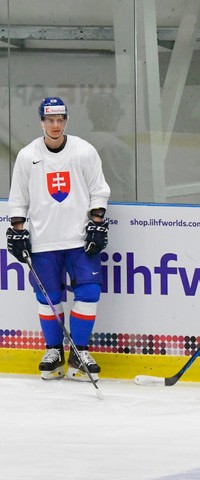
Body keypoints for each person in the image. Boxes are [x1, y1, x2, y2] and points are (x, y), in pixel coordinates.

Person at [6, 97, 111, 382]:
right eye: (49, 120)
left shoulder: (83, 151)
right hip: (43, 242)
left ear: (65, 121)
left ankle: (80, 353)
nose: (55, 125)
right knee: (49, 298)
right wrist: (17, 229)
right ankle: (54, 351)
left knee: (89, 293)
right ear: (41, 122)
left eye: (60, 120)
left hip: (79, 240)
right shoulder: (28, 156)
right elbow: (18, 199)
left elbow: (98, 190)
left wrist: (97, 222)